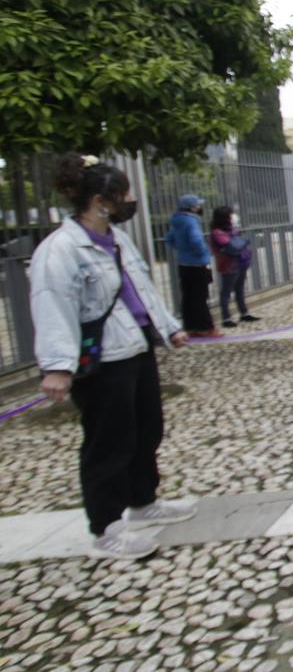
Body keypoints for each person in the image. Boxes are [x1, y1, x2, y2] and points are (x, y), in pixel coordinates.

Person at [30, 154, 194, 560]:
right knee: (109, 442)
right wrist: (57, 366)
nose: (132, 200)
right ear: (102, 201)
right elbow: (53, 307)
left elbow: (142, 288)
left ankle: (142, 501)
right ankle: (106, 528)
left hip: (136, 347)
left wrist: (169, 326)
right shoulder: (61, 250)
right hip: (103, 359)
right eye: (125, 195)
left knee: (145, 429)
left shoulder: (117, 239)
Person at [164, 193, 218, 336]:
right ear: (193, 208)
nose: (200, 208)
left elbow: (169, 239)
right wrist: (202, 252)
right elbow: (196, 240)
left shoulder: (176, 221)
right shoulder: (192, 222)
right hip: (197, 264)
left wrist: (183, 249)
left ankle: (191, 327)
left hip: (184, 263)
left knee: (188, 297)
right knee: (201, 297)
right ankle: (207, 327)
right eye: (198, 205)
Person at [208, 206, 258, 328]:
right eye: (231, 215)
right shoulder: (217, 233)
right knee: (226, 292)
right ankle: (226, 318)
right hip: (229, 266)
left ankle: (244, 313)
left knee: (239, 289)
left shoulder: (230, 230)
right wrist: (241, 241)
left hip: (240, 263)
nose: (233, 217)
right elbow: (232, 246)